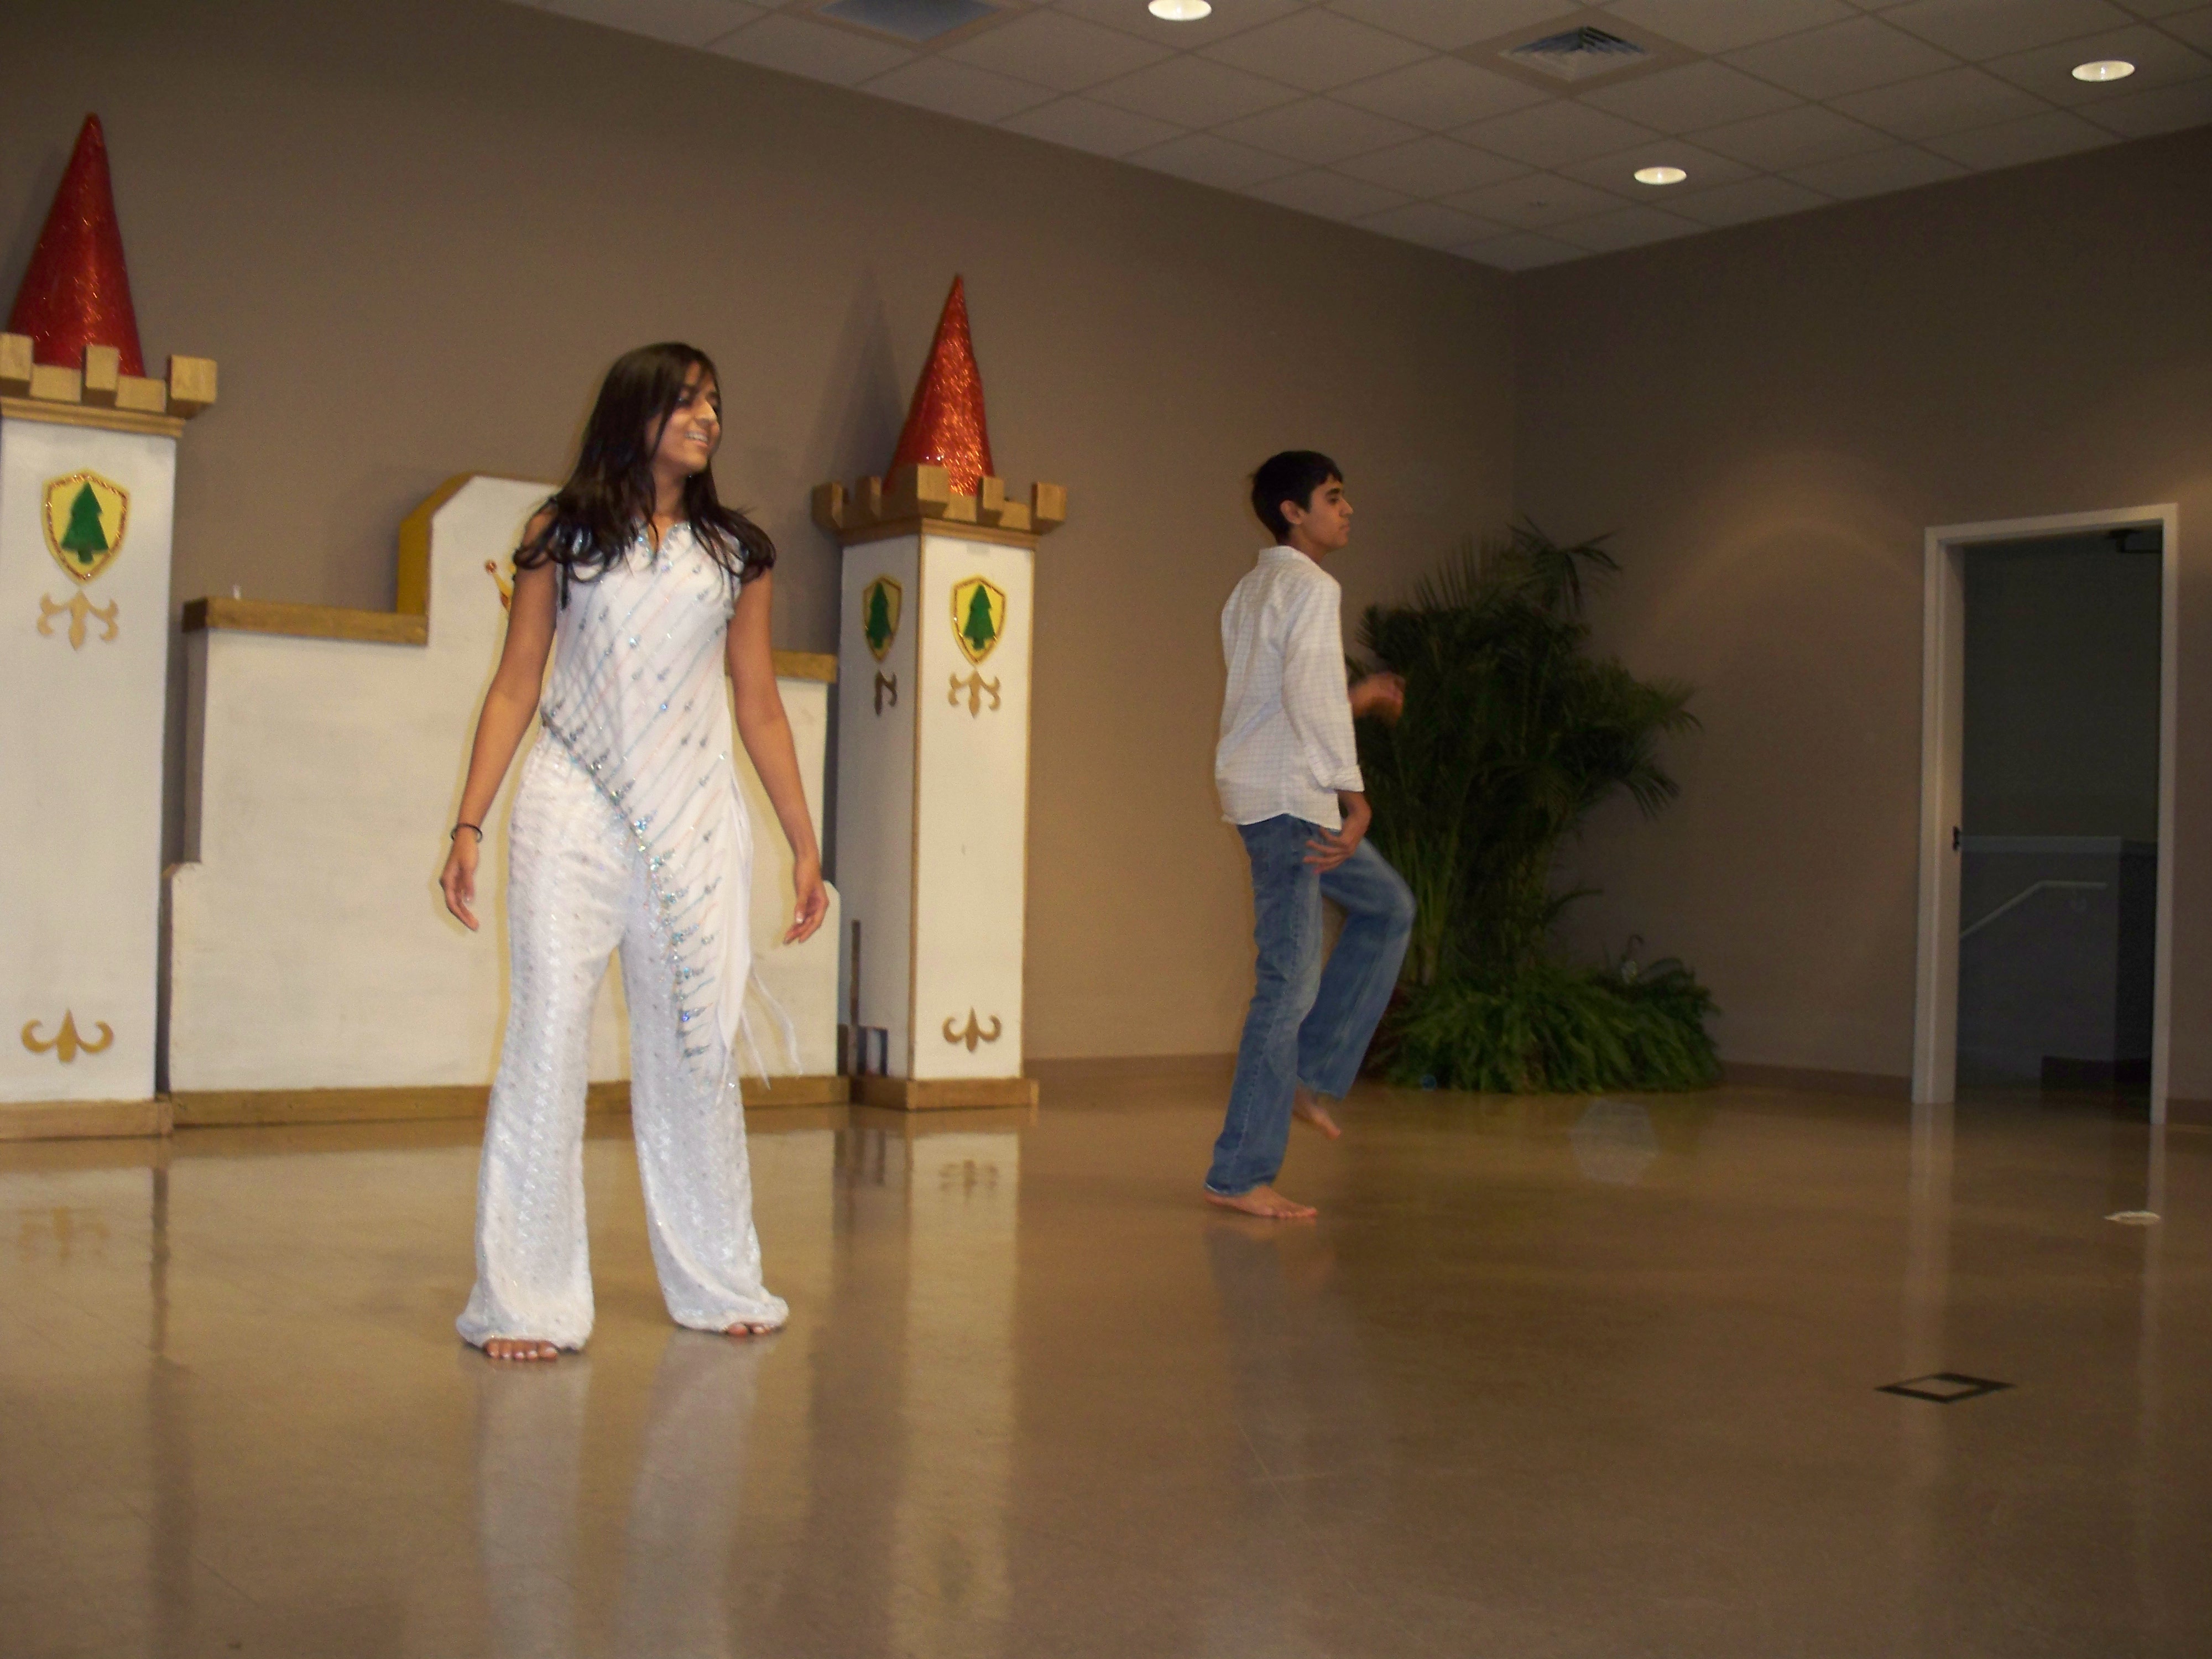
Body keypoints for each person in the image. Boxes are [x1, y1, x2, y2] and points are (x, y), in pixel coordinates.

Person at [439, 342, 828, 1360]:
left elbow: (759, 702)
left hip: (691, 826)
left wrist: (804, 843)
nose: (708, 420)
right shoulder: (560, 535)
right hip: (569, 811)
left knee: (695, 1048)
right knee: (545, 1040)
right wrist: (469, 823)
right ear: (635, 413)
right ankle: (525, 1301)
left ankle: (717, 1278)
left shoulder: (737, 553)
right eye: (687, 402)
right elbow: (518, 682)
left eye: (715, 404)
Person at [1208, 451, 1415, 1220]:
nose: (1347, 508)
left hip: (1281, 793)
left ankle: (1309, 1073)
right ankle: (1239, 1175)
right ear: (1293, 512)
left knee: (1388, 907)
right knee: (1287, 986)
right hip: (1291, 804)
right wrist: (1354, 799)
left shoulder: (1253, 589)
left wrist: (1353, 699)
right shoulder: (1310, 587)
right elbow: (1305, 699)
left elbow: (1289, 697)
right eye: (1333, 497)